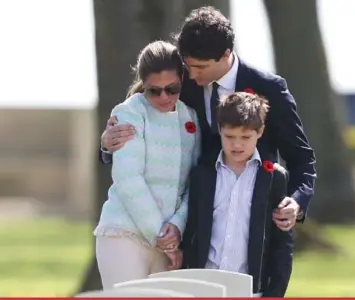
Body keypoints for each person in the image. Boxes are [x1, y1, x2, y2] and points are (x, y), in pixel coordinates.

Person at [100, 6, 317, 234]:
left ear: (225, 54)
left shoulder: (269, 88)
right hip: (189, 220)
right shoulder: (174, 84)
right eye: (188, 65)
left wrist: (297, 203)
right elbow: (140, 119)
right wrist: (107, 146)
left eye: (201, 67)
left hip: (251, 220)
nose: (191, 75)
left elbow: (301, 156)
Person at [94, 40, 201, 289]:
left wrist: (176, 227)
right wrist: (161, 235)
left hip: (170, 241)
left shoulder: (191, 117)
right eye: (154, 91)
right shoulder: (130, 112)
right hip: (125, 235)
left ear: (182, 80)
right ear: (144, 85)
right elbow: (128, 178)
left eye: (172, 89)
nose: (164, 96)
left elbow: (195, 180)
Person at [182, 91, 293, 297]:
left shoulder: (273, 178)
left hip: (250, 290)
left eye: (245, 137)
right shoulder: (202, 174)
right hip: (203, 286)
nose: (237, 144)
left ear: (260, 132)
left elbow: (281, 243)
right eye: (230, 136)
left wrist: (274, 293)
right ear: (220, 130)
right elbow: (192, 230)